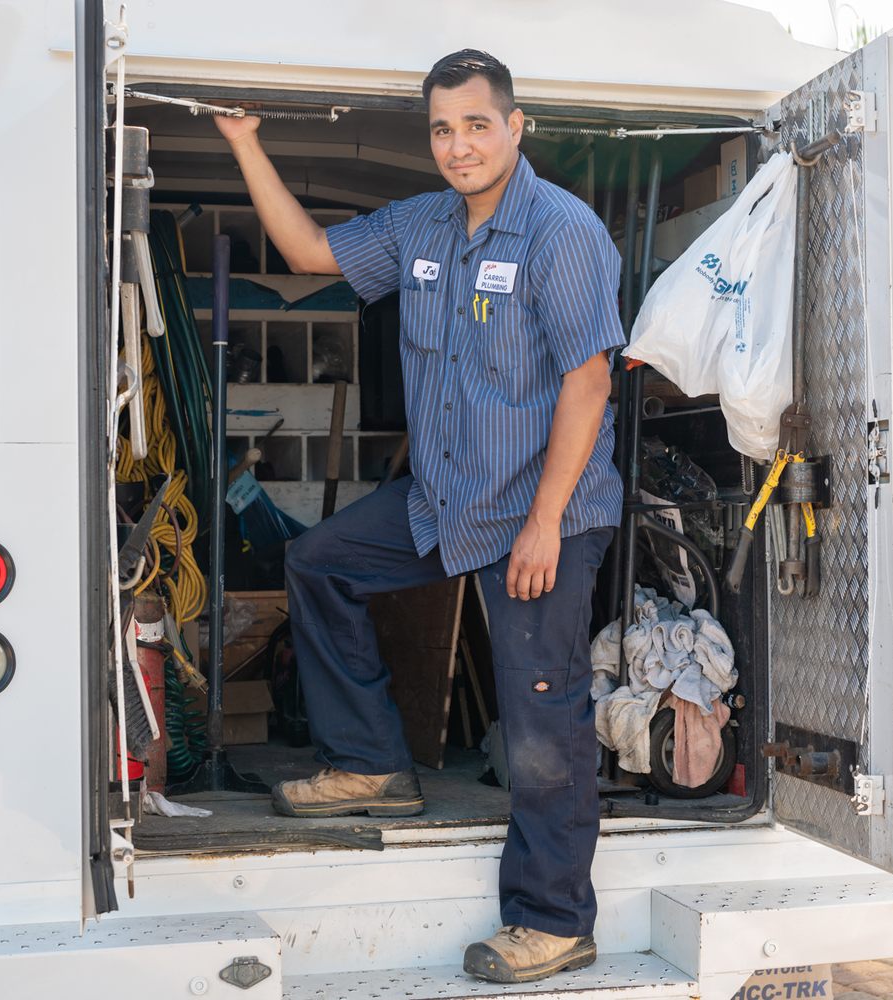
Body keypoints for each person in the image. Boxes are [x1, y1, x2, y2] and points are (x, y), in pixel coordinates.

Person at [214, 49, 625, 985]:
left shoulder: (561, 232)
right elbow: (309, 254)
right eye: (442, 128)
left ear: (515, 127)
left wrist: (545, 521)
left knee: (540, 719)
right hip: (446, 499)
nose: (458, 144)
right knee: (321, 562)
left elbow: (588, 379)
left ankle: (556, 920)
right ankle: (369, 764)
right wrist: (244, 144)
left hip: (539, 509)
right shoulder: (424, 224)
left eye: (477, 124)